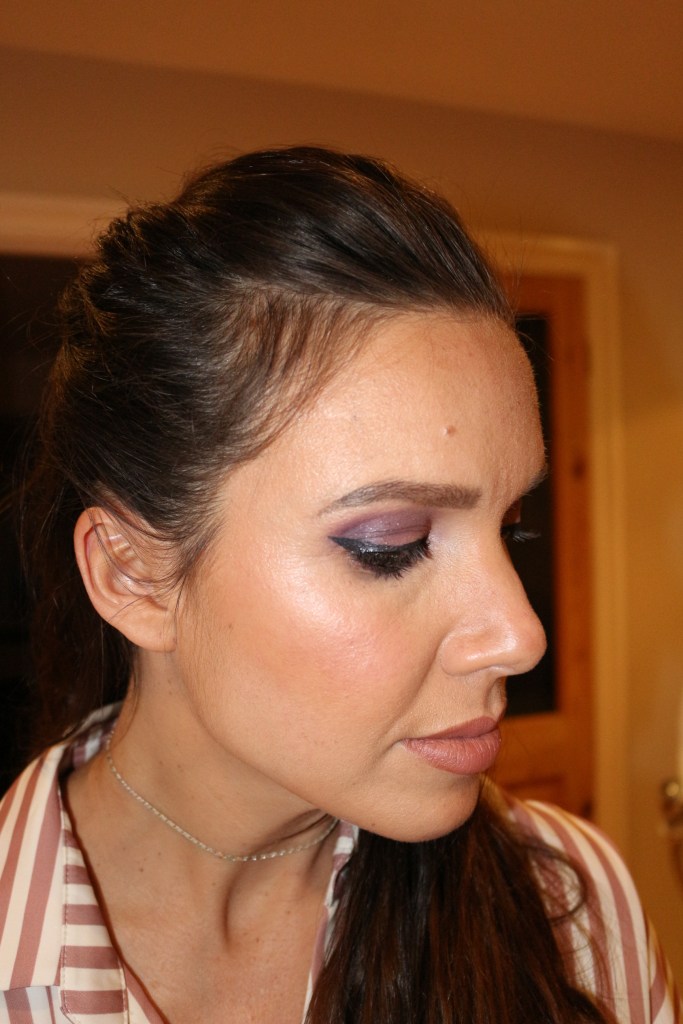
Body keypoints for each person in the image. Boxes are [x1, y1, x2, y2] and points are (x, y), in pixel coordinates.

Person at [0, 146, 679, 1024]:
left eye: (510, 528)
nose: (520, 634)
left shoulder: (571, 905)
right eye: (388, 546)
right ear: (133, 572)